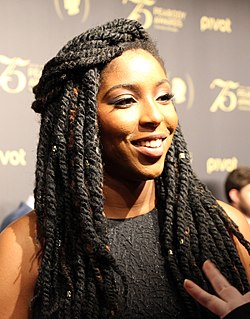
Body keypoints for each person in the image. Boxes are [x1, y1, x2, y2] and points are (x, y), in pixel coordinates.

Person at [0, 18, 249, 319]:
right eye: (126, 100)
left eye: (164, 97)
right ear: (77, 120)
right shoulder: (25, 249)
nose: (154, 115)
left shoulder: (226, 227)